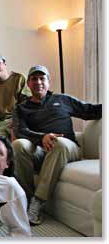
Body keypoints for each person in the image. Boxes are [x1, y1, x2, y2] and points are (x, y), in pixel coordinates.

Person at [12, 65, 102, 225]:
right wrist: (42, 138)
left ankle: (38, 201)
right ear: (29, 84)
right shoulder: (21, 108)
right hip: (41, 150)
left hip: (68, 148)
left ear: (48, 81)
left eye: (42, 78)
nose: (38, 82)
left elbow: (90, 111)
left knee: (58, 143)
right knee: (18, 145)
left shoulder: (62, 99)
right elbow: (21, 131)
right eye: (34, 79)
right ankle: (26, 198)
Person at [0, 52, 30, 139]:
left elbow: (27, 103)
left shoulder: (19, 79)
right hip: (1, 123)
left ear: (4, 64)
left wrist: (16, 121)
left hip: (19, 119)